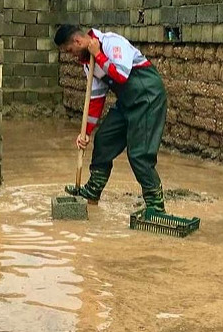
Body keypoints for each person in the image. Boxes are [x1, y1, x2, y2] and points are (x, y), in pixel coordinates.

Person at [53, 25, 168, 213]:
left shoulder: (111, 43)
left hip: (148, 97)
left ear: (78, 41)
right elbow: (96, 100)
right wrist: (86, 133)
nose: (71, 55)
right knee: (104, 139)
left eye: (70, 50)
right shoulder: (88, 64)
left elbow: (121, 75)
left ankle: (155, 205)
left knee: (139, 154)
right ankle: (93, 191)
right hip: (127, 102)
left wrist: (99, 55)